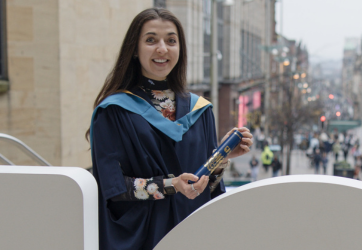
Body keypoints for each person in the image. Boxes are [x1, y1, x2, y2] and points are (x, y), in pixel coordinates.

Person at [86, 8, 253, 250]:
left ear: (180, 49)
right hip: (145, 236)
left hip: (192, 232)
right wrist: (170, 185)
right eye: (151, 40)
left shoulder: (200, 110)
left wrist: (221, 156)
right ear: (134, 49)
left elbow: (209, 188)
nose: (162, 49)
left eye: (171, 41)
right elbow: (113, 188)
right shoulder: (114, 111)